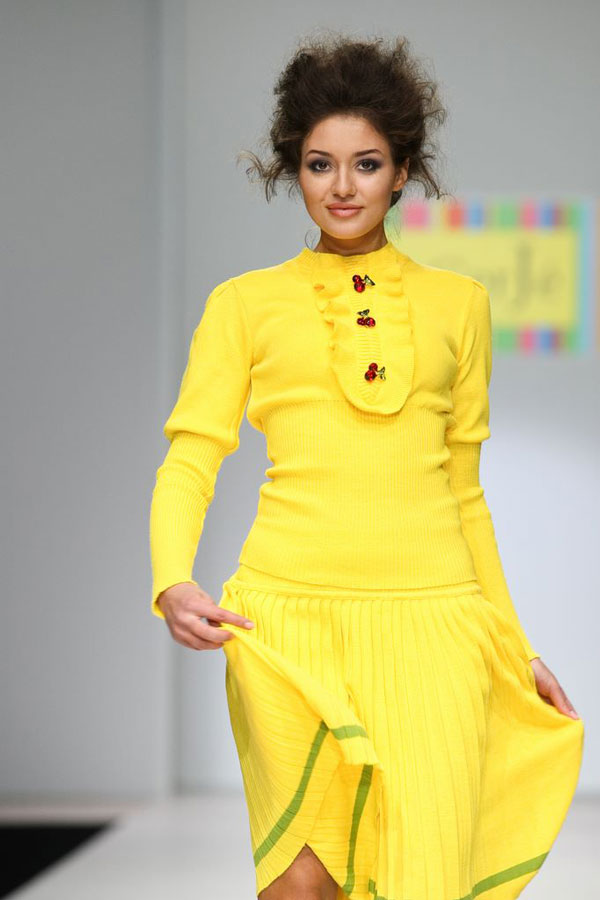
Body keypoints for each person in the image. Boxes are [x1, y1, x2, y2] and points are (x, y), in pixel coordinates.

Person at [149, 33, 584, 900]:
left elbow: (463, 492)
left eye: (367, 163)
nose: (342, 187)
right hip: (286, 620)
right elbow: (192, 455)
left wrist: (517, 645)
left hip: (435, 625)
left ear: (402, 171)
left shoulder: (461, 306)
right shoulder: (243, 306)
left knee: (422, 877)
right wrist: (171, 579)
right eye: (320, 164)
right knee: (300, 882)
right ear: (294, 170)